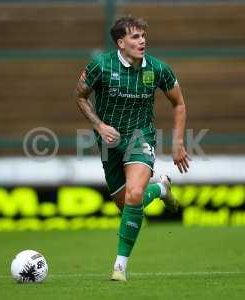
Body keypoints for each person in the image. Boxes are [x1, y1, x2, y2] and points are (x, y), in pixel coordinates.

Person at [76, 16, 190, 282]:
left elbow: (179, 103)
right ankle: (161, 188)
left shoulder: (159, 69)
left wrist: (178, 143)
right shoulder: (100, 66)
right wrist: (99, 125)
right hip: (109, 143)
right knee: (124, 202)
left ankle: (120, 267)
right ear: (121, 43)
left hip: (141, 137)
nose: (142, 41)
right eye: (135, 37)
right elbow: (80, 97)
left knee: (134, 194)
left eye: (143, 36)